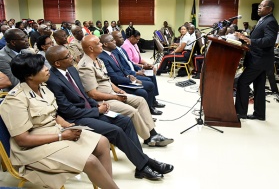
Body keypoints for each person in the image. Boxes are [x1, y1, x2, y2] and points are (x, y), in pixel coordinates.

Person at [45, 45, 174, 180]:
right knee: (115, 130)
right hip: (77, 119)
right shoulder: (52, 80)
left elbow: (84, 95)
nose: (72, 57)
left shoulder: (71, 70)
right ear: (57, 63)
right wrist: (96, 110)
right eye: (67, 56)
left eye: (70, 54)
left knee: (126, 121)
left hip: (90, 110)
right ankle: (146, 163)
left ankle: (141, 165)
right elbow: (68, 110)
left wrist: (97, 106)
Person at [0, 53, 118, 189]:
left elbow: (53, 114)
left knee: (102, 142)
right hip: (33, 148)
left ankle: (107, 185)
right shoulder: (15, 100)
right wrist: (62, 136)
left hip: (56, 132)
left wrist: (67, 125)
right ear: (29, 76)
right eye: (41, 67)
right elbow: (22, 140)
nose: (46, 69)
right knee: (89, 160)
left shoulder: (43, 88)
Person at [82, 34, 173, 145]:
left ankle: (152, 133)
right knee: (132, 111)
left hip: (113, 93)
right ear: (91, 48)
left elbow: (107, 80)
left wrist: (120, 91)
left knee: (140, 101)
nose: (101, 44)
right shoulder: (85, 66)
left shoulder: (98, 60)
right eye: (98, 43)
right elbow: (93, 94)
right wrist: (116, 96)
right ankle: (149, 137)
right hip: (103, 101)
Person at [235, 0, 278, 121]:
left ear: (270, 9)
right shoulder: (263, 19)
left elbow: (270, 40)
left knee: (242, 82)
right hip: (259, 59)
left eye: (263, 6)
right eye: (259, 5)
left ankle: (240, 112)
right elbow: (258, 37)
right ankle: (259, 114)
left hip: (259, 60)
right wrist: (245, 38)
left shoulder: (271, 21)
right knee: (259, 87)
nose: (259, 8)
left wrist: (251, 41)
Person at [99, 34, 164, 115]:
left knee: (150, 82)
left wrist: (130, 75)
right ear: (105, 44)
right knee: (144, 90)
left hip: (126, 77)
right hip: (119, 84)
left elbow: (123, 68)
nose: (114, 41)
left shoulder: (113, 53)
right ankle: (147, 112)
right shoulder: (103, 57)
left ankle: (150, 106)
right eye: (112, 40)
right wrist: (130, 79)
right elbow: (114, 78)